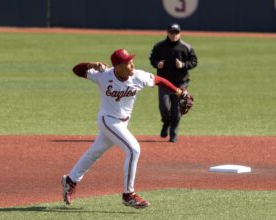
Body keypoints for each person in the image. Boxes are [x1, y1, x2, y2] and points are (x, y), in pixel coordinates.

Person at [62, 49, 189, 209]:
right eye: (128, 63)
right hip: (107, 121)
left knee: (95, 153)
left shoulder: (138, 76)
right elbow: (77, 71)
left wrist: (178, 91)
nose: (132, 65)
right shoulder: (104, 75)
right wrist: (91, 64)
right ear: (118, 66)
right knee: (134, 149)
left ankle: (70, 180)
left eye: (131, 61)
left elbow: (160, 81)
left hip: (122, 123)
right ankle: (128, 194)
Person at [149, 23, 198, 142]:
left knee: (177, 109)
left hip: (180, 83)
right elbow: (152, 58)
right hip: (164, 83)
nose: (174, 35)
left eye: (176, 32)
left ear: (180, 33)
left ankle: (173, 133)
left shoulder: (186, 47)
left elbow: (194, 61)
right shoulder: (159, 46)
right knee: (164, 107)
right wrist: (157, 64)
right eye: (172, 32)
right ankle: (166, 123)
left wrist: (183, 65)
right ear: (167, 32)